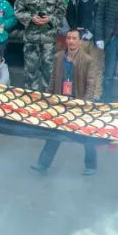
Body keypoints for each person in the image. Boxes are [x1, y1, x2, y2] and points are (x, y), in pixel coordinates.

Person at [32, 31, 101, 176]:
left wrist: (84, 105)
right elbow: (53, 80)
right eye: (69, 38)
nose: (71, 41)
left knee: (87, 134)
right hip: (61, 102)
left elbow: (91, 85)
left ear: (80, 42)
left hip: (79, 103)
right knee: (55, 134)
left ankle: (91, 166)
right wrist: (48, 100)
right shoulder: (58, 57)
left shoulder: (88, 60)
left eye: (74, 38)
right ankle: (42, 164)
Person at [14, 0, 64, 93]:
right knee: (31, 70)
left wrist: (50, 19)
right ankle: (31, 97)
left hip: (49, 39)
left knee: (48, 70)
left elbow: (61, 10)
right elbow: (18, 11)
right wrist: (31, 18)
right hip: (31, 38)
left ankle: (47, 96)